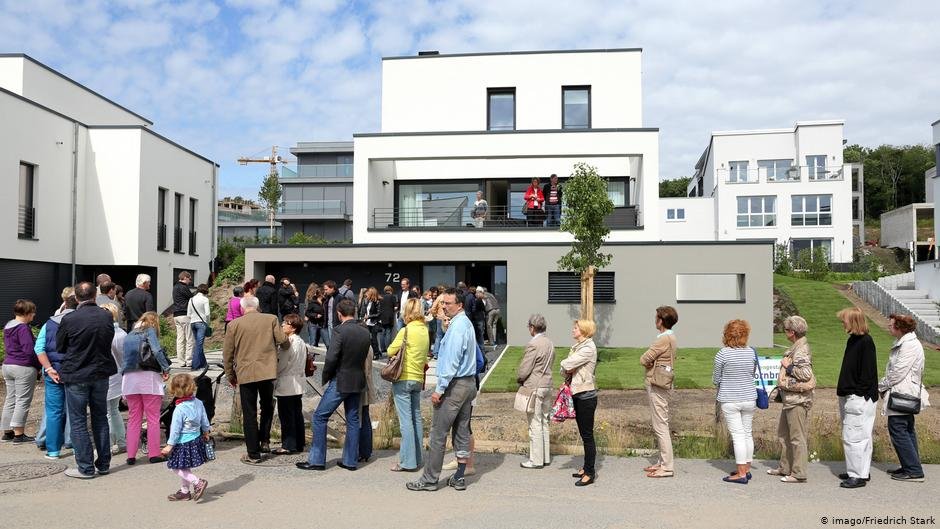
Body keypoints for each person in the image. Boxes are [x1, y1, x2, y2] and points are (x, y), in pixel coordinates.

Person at [406, 288, 477, 492]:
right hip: (468, 383)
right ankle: (460, 477)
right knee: (462, 431)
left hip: (455, 385)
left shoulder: (458, 327)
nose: (444, 306)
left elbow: (452, 361)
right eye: (443, 302)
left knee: (438, 434)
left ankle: (429, 479)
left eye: (448, 303)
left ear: (459, 305)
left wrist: (440, 389)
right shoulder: (464, 323)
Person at [297, 299, 371, 471]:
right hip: (358, 378)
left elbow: (331, 357)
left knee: (320, 416)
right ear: (354, 312)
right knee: (353, 419)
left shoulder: (339, 331)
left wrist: (327, 376)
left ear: (339, 313)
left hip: (341, 378)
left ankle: (317, 460)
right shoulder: (364, 331)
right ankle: (350, 461)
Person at [55, 281, 116, 479]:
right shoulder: (106, 316)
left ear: (76, 298)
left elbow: (60, 346)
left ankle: (86, 467)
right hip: (100, 373)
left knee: (79, 421)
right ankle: (104, 463)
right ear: (95, 296)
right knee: (100, 417)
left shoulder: (70, 319)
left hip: (77, 373)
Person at [223, 295, 289, 463]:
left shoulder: (233, 325)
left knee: (249, 413)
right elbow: (283, 341)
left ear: (241, 309)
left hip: (246, 373)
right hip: (267, 371)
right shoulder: (271, 319)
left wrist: (230, 374)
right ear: (258, 306)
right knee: (267, 407)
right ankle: (265, 441)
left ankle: (253, 453)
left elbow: (227, 354)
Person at [768, 315, 815, 484]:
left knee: (797, 437)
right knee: (784, 434)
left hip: (797, 400)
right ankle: (785, 467)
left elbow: (806, 374)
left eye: (786, 330)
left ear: (793, 332)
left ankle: (799, 473)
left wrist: (789, 366)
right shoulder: (796, 347)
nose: (784, 332)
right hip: (790, 399)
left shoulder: (801, 350)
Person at [835, 307, 879, 489]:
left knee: (854, 436)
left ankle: (857, 475)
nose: (842, 323)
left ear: (853, 321)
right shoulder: (853, 340)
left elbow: (867, 374)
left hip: (859, 397)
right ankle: (861, 470)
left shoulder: (865, 342)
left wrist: (857, 394)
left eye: (844, 320)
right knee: (860, 435)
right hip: (851, 394)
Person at [879, 314, 926, 483]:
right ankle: (910, 466)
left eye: (891, 325)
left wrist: (881, 386)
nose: (888, 327)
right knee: (906, 429)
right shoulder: (906, 343)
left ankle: (913, 470)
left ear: (900, 327)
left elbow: (898, 372)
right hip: (904, 391)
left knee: (898, 429)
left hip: (902, 392)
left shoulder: (909, 346)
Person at [122, 311, 171, 465]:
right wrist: (165, 368)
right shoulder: (149, 331)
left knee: (133, 418)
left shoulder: (128, 334)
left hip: (129, 379)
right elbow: (156, 350)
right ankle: (154, 453)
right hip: (148, 377)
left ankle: (131, 455)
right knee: (153, 418)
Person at [387, 298, 430, 472]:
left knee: (405, 422)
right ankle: (419, 458)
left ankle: (407, 462)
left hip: (403, 377)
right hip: (418, 378)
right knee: (416, 418)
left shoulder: (406, 331)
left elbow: (390, 350)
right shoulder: (425, 331)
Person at [713, 319, 757, 484]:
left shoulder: (723, 354)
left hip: (730, 399)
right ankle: (746, 468)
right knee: (747, 433)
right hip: (749, 397)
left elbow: (716, 378)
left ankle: (741, 474)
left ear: (727, 335)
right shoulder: (751, 352)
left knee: (738, 436)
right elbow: (751, 373)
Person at [34, 294, 77, 458]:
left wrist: (49, 368)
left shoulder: (49, 323)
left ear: (64, 305)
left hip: (53, 373)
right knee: (75, 410)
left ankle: (53, 450)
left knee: (53, 411)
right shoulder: (80, 321)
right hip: (73, 372)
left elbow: (39, 348)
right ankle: (73, 444)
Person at [640, 306, 678, 478]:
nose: (654, 320)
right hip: (663, 382)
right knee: (660, 423)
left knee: (660, 425)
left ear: (661, 320)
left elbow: (644, 358)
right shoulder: (671, 337)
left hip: (657, 384)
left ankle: (667, 467)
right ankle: (663, 462)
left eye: (656, 317)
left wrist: (649, 363)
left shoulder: (662, 339)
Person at [161, 373, 211, 502]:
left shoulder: (179, 409)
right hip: (195, 439)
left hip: (182, 442)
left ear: (174, 389)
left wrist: (169, 445)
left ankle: (198, 482)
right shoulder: (198, 402)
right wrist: (206, 431)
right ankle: (184, 491)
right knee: (184, 466)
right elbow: (204, 419)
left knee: (175, 466)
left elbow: (175, 430)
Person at [561, 319, 598, 487]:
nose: (572, 330)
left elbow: (567, 364)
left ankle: (590, 472)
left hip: (586, 396)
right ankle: (586, 467)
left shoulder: (588, 349)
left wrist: (566, 366)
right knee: (584, 434)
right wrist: (566, 367)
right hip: (578, 393)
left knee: (588, 435)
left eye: (575, 328)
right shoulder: (578, 347)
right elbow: (565, 369)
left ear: (583, 330)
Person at [517, 314, 555, 469]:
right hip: (547, 384)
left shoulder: (534, 344)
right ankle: (544, 457)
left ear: (532, 327)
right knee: (544, 421)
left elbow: (525, 369)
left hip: (535, 385)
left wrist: (520, 378)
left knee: (535, 423)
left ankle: (536, 459)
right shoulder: (549, 343)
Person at [2, 299, 40, 444]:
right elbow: (29, 351)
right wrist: (38, 367)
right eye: (32, 312)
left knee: (10, 399)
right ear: (26, 313)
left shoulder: (8, 326)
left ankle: (7, 433)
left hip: (8, 365)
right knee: (22, 400)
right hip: (23, 367)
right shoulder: (23, 328)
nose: (34, 315)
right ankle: (19, 435)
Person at [275, 314, 311, 454]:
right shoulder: (301, 342)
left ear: (293, 327)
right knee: (296, 414)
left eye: (285, 323)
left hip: (287, 381)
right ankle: (299, 443)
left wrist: (274, 373)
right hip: (298, 381)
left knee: (286, 415)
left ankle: (288, 444)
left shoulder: (289, 342)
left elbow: (282, 363)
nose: (283, 325)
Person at [100, 303, 127, 455]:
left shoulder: (107, 333)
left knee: (107, 413)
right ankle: (121, 442)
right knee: (114, 411)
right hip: (118, 376)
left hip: (108, 376)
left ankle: (108, 445)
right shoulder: (122, 333)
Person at [171, 271, 195, 368]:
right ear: (185, 277)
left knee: (180, 339)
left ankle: (181, 361)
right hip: (184, 314)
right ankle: (189, 361)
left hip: (176, 315)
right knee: (190, 339)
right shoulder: (183, 287)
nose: (190, 281)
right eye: (189, 279)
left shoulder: (175, 287)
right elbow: (191, 298)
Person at [188, 284, 211, 371]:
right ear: (205, 291)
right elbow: (207, 313)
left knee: (198, 344)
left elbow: (188, 314)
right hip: (201, 323)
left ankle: (204, 363)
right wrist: (207, 323)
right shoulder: (205, 299)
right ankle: (195, 366)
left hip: (192, 323)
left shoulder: (191, 299)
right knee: (199, 344)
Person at [361, 287, 382, 360]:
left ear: (372, 293)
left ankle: (376, 354)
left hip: (374, 323)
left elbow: (379, 314)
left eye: (369, 292)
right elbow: (364, 311)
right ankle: (372, 352)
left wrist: (369, 316)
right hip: (367, 323)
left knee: (374, 339)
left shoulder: (377, 302)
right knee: (367, 339)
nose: (367, 293)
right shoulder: (367, 301)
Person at [379, 285, 397, 355]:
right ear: (391, 290)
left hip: (382, 316)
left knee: (382, 332)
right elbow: (395, 307)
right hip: (390, 316)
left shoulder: (381, 297)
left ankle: (382, 348)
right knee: (388, 331)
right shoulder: (393, 297)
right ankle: (388, 348)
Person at [321, 280, 339, 348]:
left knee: (336, 344)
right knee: (331, 344)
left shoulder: (339, 297)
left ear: (332, 288)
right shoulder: (327, 298)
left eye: (326, 289)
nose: (325, 291)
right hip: (329, 324)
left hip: (336, 325)